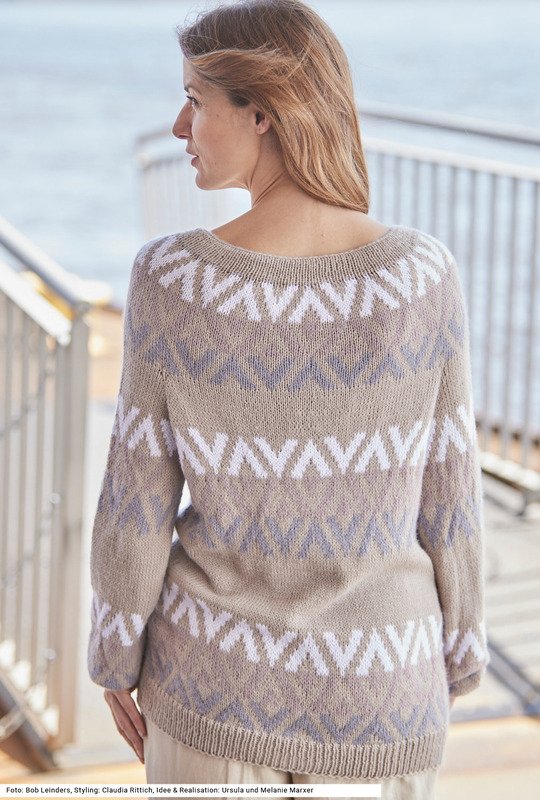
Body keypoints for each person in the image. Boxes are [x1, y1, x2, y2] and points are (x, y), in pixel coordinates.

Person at [87, 1, 490, 797]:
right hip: (385, 689)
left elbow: (137, 502)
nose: (179, 126)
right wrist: (460, 650)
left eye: (195, 101)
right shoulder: (423, 276)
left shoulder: (172, 281)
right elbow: (452, 496)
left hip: (212, 685)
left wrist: (115, 655)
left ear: (262, 112)